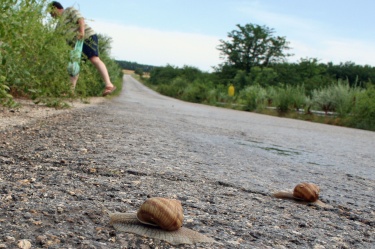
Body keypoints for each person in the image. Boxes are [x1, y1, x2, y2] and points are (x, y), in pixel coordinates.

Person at [49, 1, 116, 96]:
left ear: (55, 8)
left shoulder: (69, 10)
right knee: (74, 66)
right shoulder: (59, 24)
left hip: (86, 37)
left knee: (94, 58)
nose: (51, 16)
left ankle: (109, 85)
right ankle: (70, 91)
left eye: (51, 13)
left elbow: (80, 19)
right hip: (76, 45)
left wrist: (81, 32)